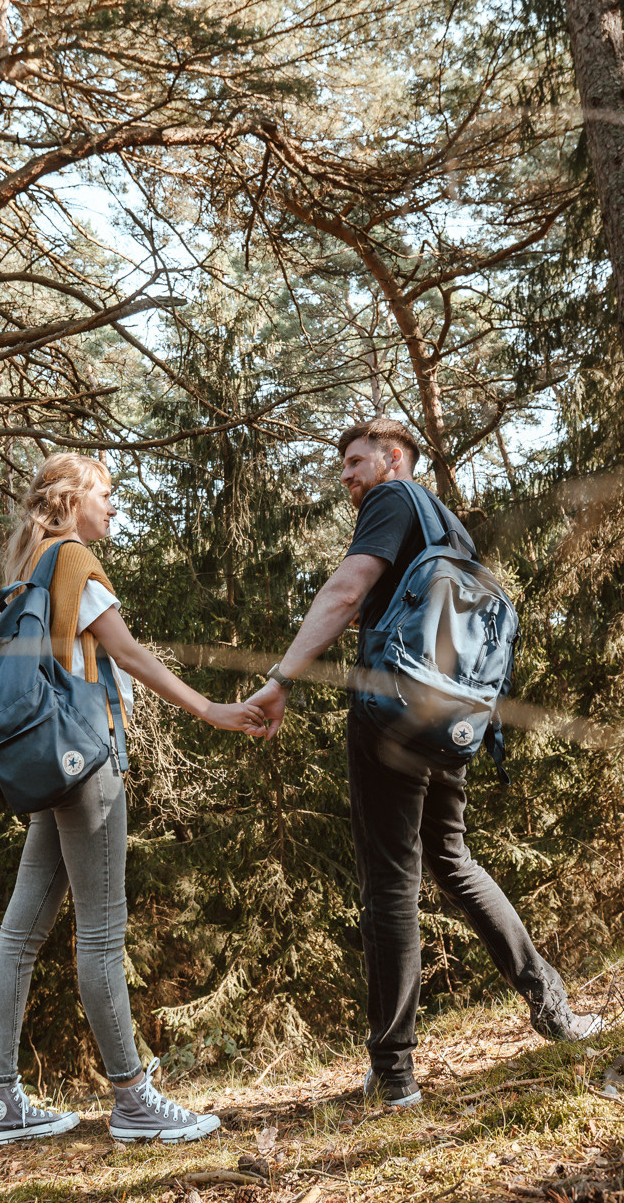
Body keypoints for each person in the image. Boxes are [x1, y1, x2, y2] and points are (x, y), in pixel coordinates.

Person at [246, 417, 602, 1109]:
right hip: (456, 719)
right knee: (452, 859)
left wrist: (282, 676)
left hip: (392, 713)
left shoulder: (392, 499)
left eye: (355, 460)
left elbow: (348, 591)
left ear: (394, 457)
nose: (347, 475)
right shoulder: (449, 528)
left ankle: (396, 1071)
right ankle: (552, 1006)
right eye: (343, 465)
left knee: (390, 882)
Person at [0, 453, 264, 1147]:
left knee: (20, 933)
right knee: (101, 936)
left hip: (50, 763)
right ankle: (133, 1097)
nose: (113, 507)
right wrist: (214, 709)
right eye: (105, 493)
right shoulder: (71, 560)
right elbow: (129, 654)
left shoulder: (28, 566)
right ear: (72, 500)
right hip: (88, 758)